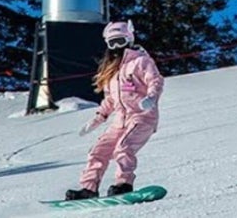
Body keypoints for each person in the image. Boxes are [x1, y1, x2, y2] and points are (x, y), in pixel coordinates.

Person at [66, 21, 165, 200]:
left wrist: (151, 97)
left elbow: (155, 81)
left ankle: (124, 184)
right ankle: (89, 188)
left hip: (142, 117)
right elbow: (110, 100)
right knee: (97, 151)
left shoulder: (141, 61)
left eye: (120, 41)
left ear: (129, 39)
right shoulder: (113, 71)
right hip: (120, 120)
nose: (116, 47)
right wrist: (97, 119)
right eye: (112, 43)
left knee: (123, 147)